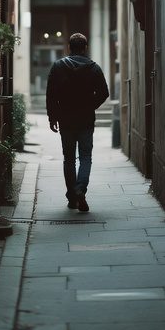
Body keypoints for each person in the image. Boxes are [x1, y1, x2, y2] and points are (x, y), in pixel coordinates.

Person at [46, 33, 109, 213]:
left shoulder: (58, 67)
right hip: (86, 120)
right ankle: (80, 188)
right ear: (85, 47)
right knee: (86, 157)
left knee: (69, 159)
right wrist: (90, 105)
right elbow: (104, 92)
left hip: (66, 120)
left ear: (69, 47)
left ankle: (72, 198)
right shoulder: (94, 68)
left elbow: (51, 94)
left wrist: (53, 117)